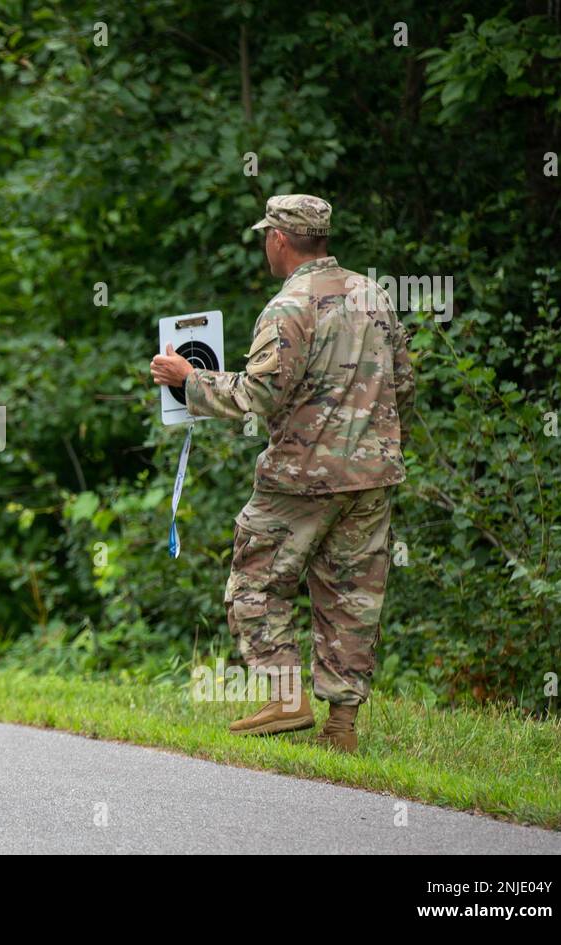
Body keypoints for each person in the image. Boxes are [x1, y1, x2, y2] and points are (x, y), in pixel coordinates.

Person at [150, 194, 415, 753]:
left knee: (255, 579)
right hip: (371, 475)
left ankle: (286, 694)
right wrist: (382, 449)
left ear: (279, 239)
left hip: (301, 477)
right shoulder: (375, 295)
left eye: (266, 235)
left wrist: (187, 381)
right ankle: (341, 727)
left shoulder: (288, 305)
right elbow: (404, 387)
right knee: (353, 597)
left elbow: (261, 395)